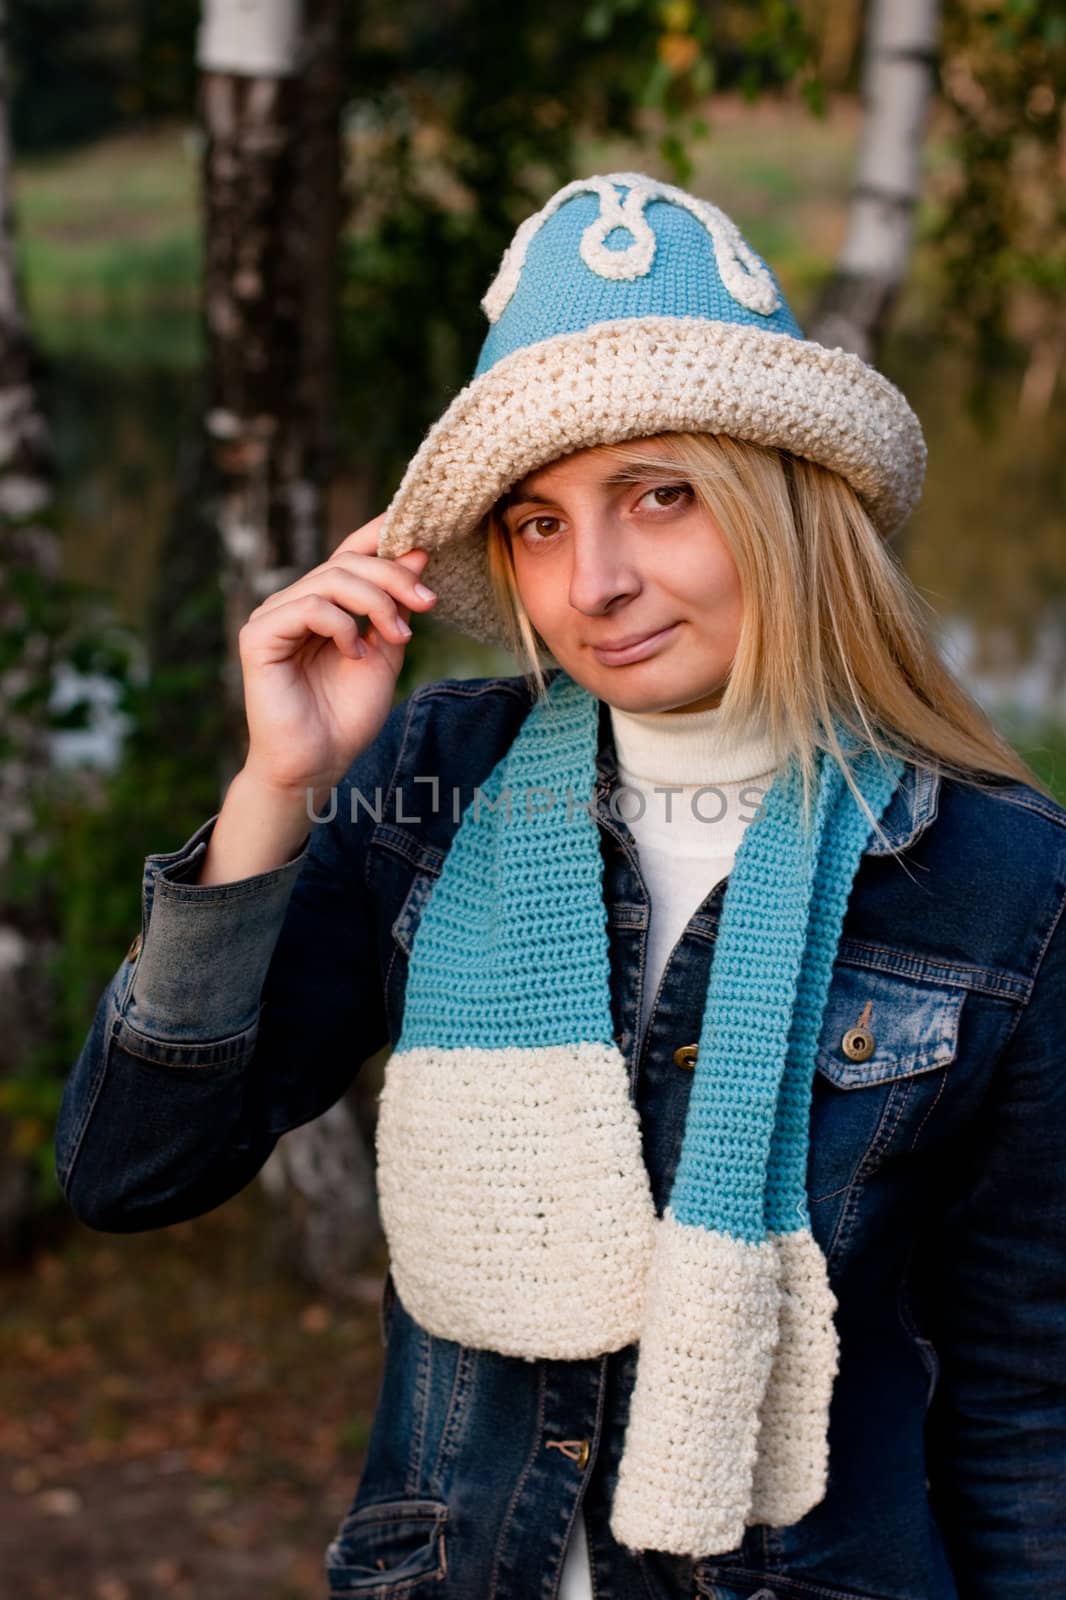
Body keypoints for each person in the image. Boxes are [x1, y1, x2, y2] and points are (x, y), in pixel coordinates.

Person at [56, 174, 1066, 1600]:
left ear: (782, 507)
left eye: (658, 497)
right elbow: (132, 1170)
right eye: (536, 523)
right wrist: (275, 786)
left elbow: (1025, 1398)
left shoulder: (995, 873)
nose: (592, 581)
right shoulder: (435, 783)